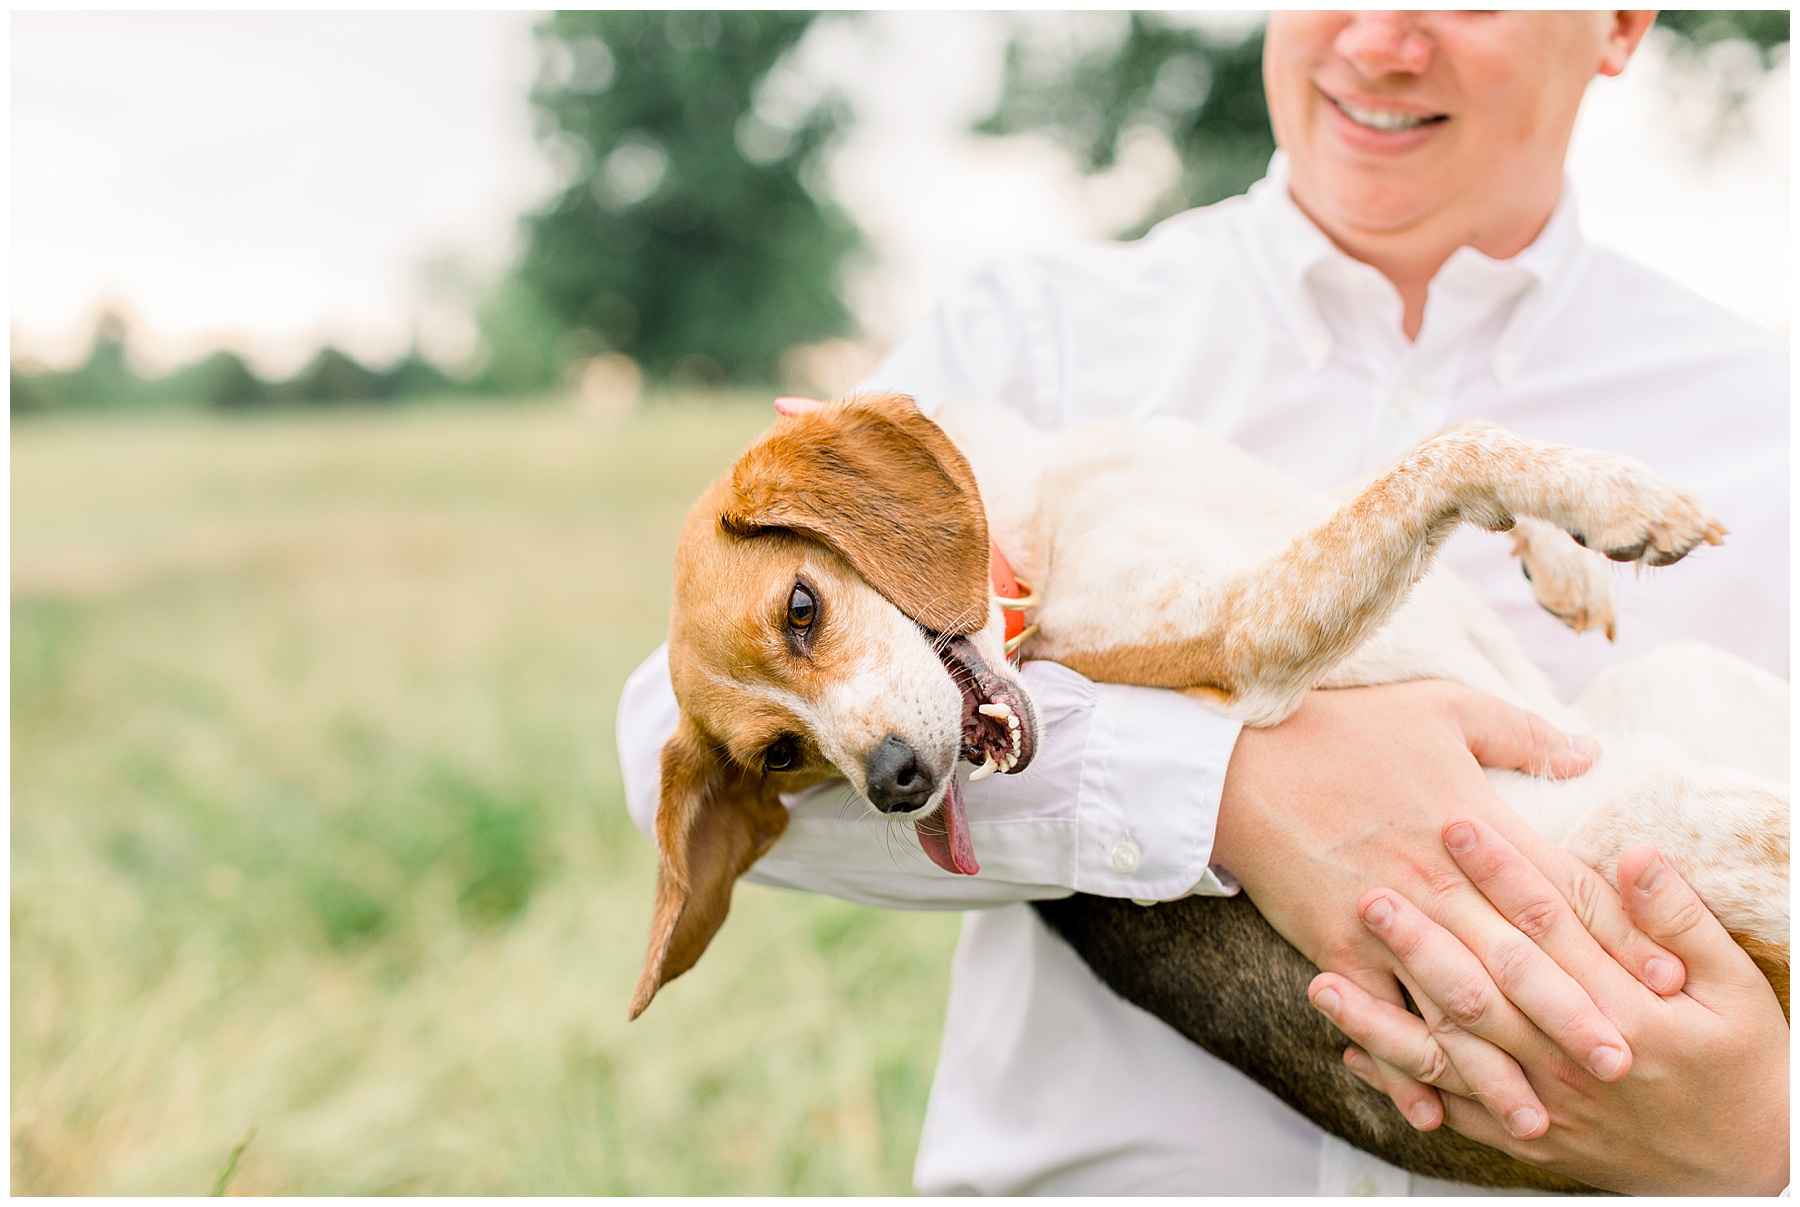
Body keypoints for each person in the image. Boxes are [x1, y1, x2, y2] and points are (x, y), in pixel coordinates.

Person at [617, 11, 1788, 1195]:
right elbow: (665, 737)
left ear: (1624, 21)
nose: (1381, 40)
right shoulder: (1034, 338)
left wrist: (1761, 1139)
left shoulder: (1765, 421)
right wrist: (1225, 789)